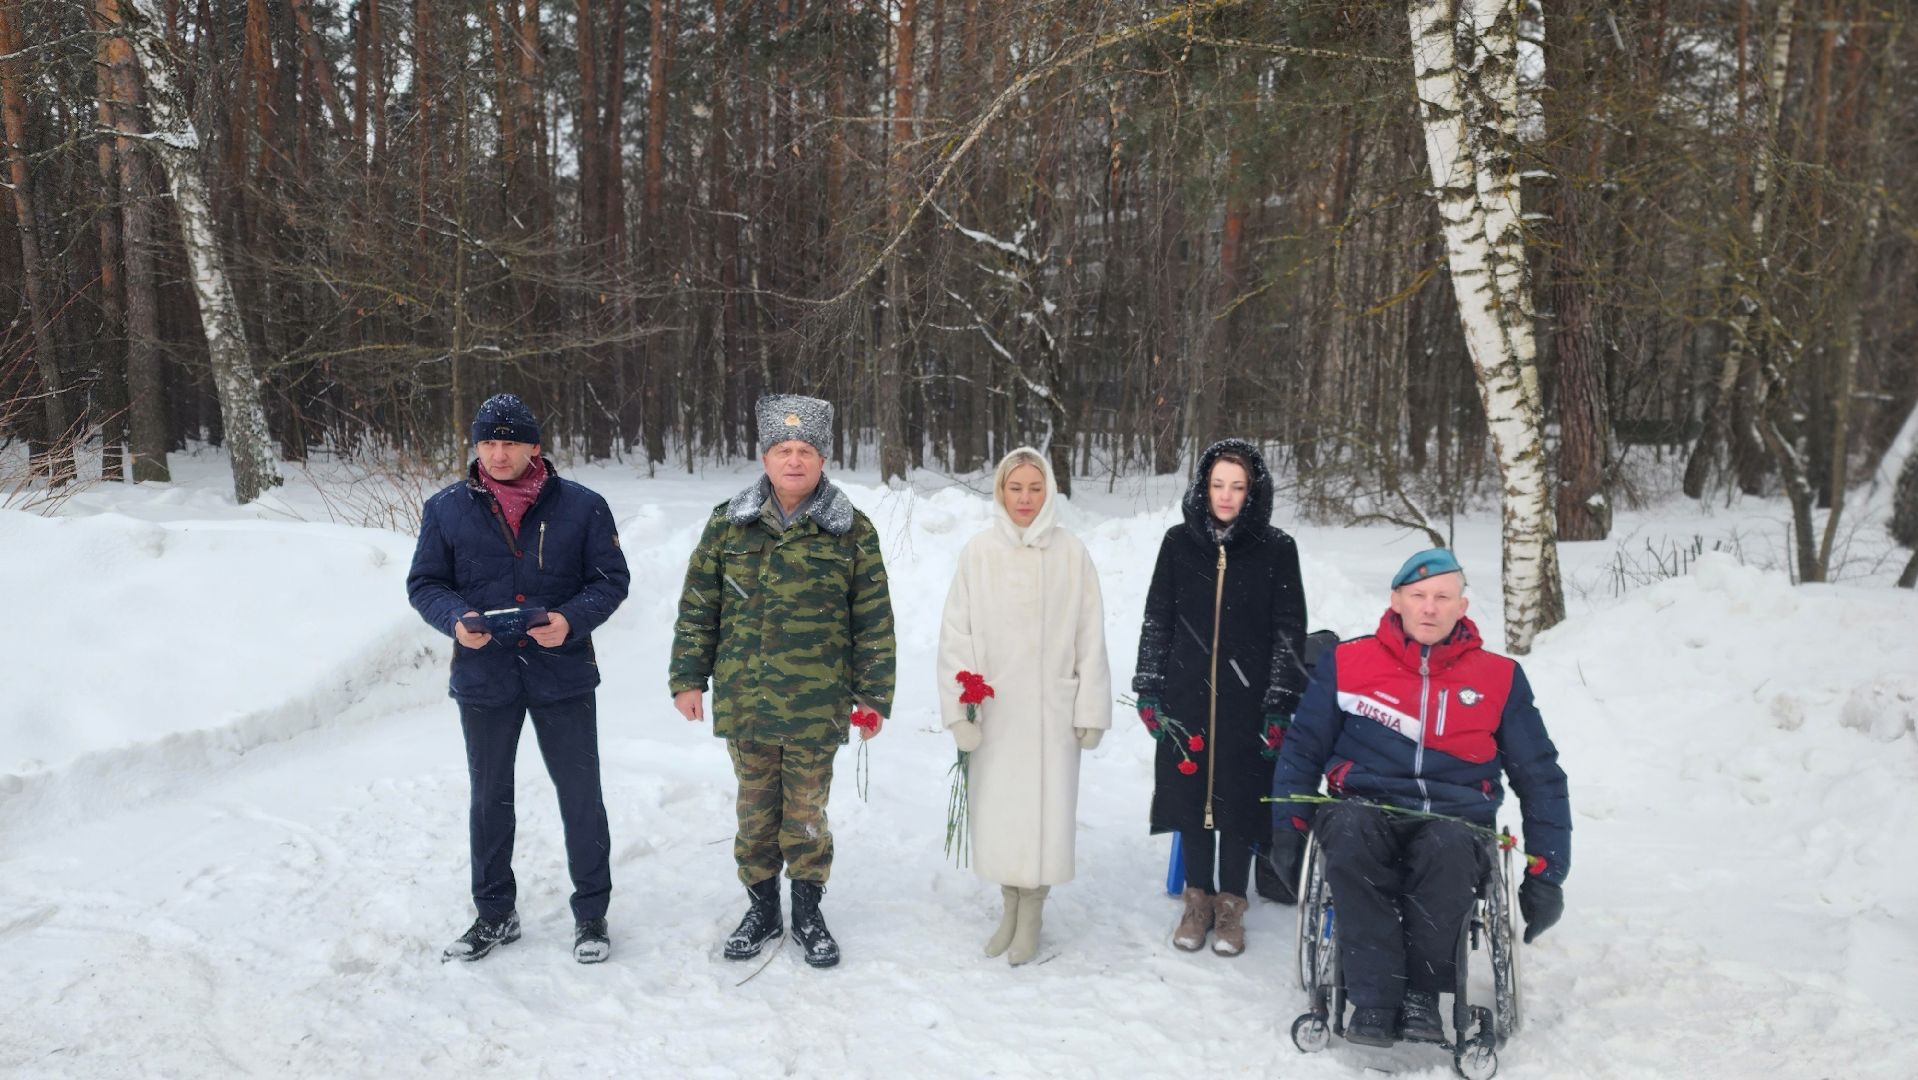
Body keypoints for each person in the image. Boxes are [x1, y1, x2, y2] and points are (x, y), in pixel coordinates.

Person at [1270, 548, 1570, 1048]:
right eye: (1418, 595)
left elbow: (1540, 776)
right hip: (1364, 804)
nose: (1429, 607)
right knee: (1350, 833)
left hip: (1454, 817)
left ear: (1462, 606)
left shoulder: (1499, 678)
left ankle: (1420, 996)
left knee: (1448, 850)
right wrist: (1289, 827)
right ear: (1396, 600)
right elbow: (1302, 749)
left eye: (1442, 597)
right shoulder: (1349, 663)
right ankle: (1374, 999)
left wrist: (1548, 872)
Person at [668, 394, 896, 969]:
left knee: (807, 814)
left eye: (805, 451)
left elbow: (873, 620)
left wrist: (873, 696)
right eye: (782, 449)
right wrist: (688, 678)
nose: (794, 460)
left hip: (818, 706)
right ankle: (762, 908)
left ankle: (809, 911)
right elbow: (699, 607)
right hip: (747, 701)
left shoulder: (851, 531)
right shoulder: (728, 524)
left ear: (823, 460)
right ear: (765, 458)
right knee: (754, 813)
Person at [407, 393, 631, 964]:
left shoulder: (583, 506)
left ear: (535, 446)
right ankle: (494, 914)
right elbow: (426, 583)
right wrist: (455, 620)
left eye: (509, 442)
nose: (498, 453)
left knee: (580, 796)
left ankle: (591, 915)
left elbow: (610, 579)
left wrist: (570, 620)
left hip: (563, 673)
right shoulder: (445, 509)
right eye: (488, 442)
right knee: (489, 798)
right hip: (485, 676)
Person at [1133, 438, 1309, 956]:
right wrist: (1149, 686)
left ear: (1253, 492)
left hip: (1246, 702)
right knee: (1191, 799)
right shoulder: (1178, 543)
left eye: (1237, 486)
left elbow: (1289, 631)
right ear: (1203, 487)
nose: (1226, 496)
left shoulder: (1277, 549)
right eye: (1217, 485)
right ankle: (1197, 900)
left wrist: (1279, 701)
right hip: (1186, 695)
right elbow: (1157, 618)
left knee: (1237, 800)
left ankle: (1230, 904)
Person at [936, 448, 1112, 965]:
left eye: (1035, 488)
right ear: (1000, 490)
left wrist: (1090, 708)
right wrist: (960, 712)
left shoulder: (1071, 554)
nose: (1025, 498)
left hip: (1053, 713)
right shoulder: (979, 553)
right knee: (1003, 814)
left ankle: (1031, 911)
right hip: (997, 714)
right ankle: (1009, 907)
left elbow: (1090, 636)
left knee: (1046, 814)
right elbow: (956, 635)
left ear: (1049, 490)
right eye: (1016, 488)